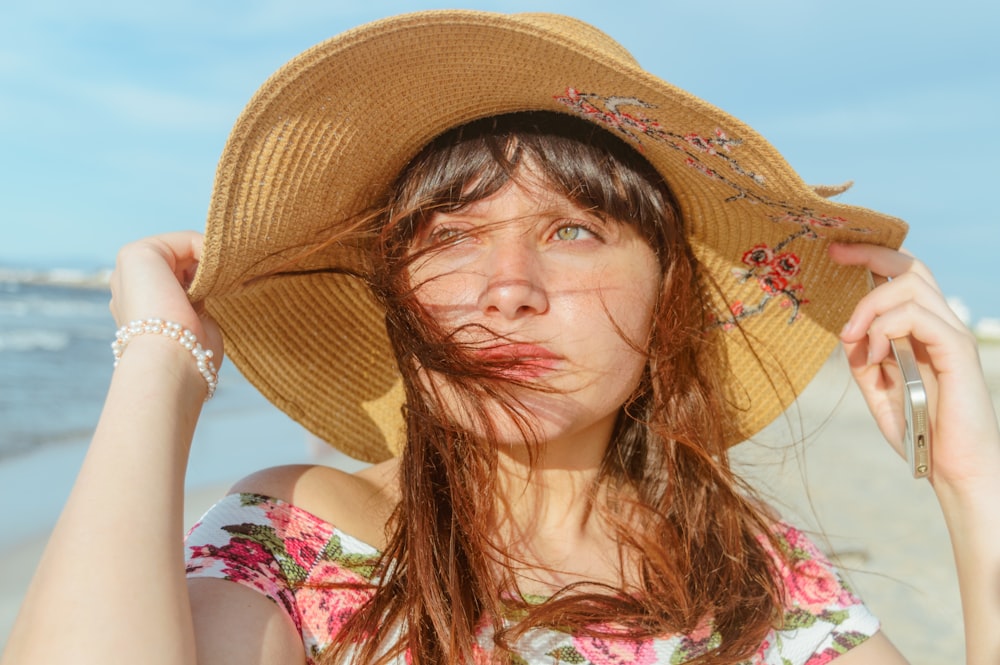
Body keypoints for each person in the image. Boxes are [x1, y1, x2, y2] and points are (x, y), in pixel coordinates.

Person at [3, 10, 998, 665]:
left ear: (671, 304)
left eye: (572, 231)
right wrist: (159, 365)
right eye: (449, 238)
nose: (507, 289)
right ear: (397, 296)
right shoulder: (307, 538)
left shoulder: (753, 580)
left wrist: (972, 481)